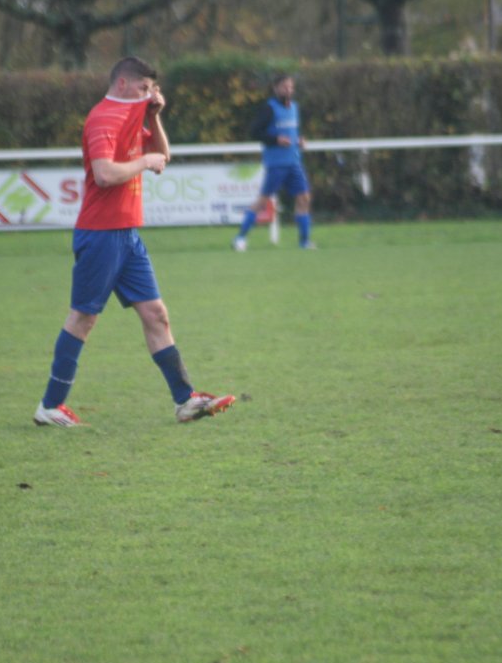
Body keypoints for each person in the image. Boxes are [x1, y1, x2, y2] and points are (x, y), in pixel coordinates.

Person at [34, 56, 235, 427]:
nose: (148, 95)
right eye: (143, 88)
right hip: (100, 234)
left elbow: (163, 155)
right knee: (83, 318)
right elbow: (104, 174)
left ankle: (185, 400)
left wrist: (154, 117)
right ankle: (50, 405)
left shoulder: (134, 115)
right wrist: (144, 161)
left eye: (152, 89)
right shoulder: (103, 118)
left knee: (156, 314)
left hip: (127, 235)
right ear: (123, 84)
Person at [232, 74, 316, 251]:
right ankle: (240, 238)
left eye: (290, 87)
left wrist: (300, 140)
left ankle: (304, 241)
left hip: (294, 162)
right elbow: (254, 132)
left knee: (304, 198)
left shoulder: (294, 107)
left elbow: (294, 131)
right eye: (284, 87)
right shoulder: (269, 108)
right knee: (263, 202)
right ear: (276, 88)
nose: (288, 90)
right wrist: (276, 140)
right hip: (276, 164)